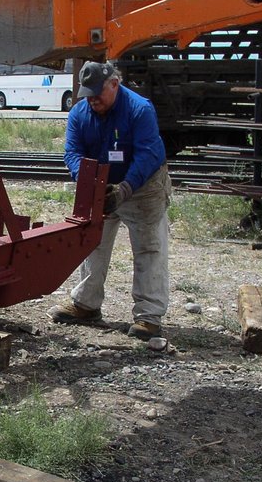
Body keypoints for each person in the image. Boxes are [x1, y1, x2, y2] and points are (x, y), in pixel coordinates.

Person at [48, 61, 171, 340]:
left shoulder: (140, 109)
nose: (92, 100)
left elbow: (148, 156)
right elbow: (72, 152)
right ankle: (86, 304)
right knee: (93, 243)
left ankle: (148, 317)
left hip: (143, 186)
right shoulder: (80, 113)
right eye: (87, 94)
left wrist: (124, 190)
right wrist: (88, 181)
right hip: (100, 184)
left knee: (149, 247)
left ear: (114, 84)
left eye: (97, 93)